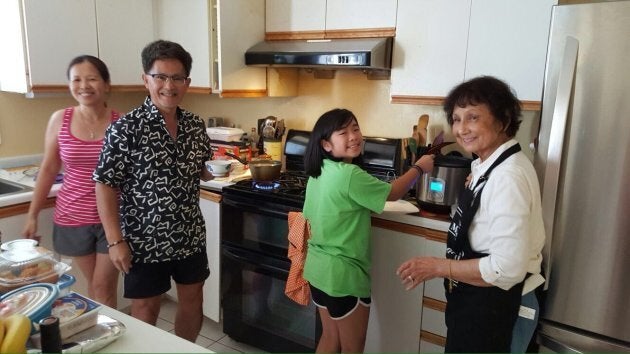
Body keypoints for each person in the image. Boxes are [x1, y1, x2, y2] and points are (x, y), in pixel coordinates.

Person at [396, 76, 545, 352]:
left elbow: (506, 267)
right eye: (456, 119)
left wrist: (438, 266)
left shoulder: (507, 177)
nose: (462, 128)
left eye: (473, 117)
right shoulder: (486, 165)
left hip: (501, 306)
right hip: (478, 302)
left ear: (503, 120)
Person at [93, 40, 214, 342]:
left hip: (189, 235)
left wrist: (209, 169)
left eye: (177, 78)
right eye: (160, 76)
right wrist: (114, 241)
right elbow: (105, 184)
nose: (169, 85)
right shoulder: (125, 129)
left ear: (187, 82)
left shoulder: (196, 126)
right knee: (146, 308)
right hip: (143, 240)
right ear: (145, 79)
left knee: (193, 300)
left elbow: (200, 167)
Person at [302, 108, 434, 353]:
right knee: (353, 348)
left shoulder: (318, 173)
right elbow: (392, 193)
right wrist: (418, 168)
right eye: (343, 132)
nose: (353, 136)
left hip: (318, 270)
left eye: (355, 128)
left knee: (330, 339)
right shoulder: (350, 175)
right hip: (344, 275)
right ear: (326, 145)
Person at [22, 55, 120, 308]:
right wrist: (32, 215)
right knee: (94, 286)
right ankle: (101, 331)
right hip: (73, 216)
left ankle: (112, 334)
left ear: (106, 84)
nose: (84, 85)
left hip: (113, 218)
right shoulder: (60, 119)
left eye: (92, 79)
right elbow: (49, 168)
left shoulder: (122, 123)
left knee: (103, 286)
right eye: (76, 79)